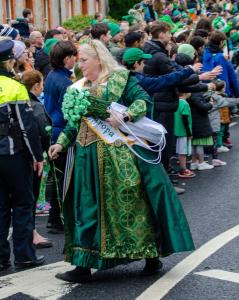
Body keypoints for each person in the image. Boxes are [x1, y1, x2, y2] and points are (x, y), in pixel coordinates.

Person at [48, 39, 194, 284]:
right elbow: (75, 122)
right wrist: (61, 142)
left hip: (115, 156)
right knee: (86, 209)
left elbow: (143, 102)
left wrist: (126, 114)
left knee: (130, 208)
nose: (79, 65)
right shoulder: (79, 87)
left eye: (84, 60)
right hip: (85, 158)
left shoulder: (120, 79)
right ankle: (83, 264)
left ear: (99, 59)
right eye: (79, 60)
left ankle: (150, 256)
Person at [0, 40, 45, 270]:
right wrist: (37, 157)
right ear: (9, 61)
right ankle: (25, 255)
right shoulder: (15, 87)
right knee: (22, 204)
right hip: (13, 155)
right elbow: (27, 129)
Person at [44, 40, 78, 234]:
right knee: (64, 177)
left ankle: (53, 217)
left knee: (55, 176)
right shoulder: (65, 82)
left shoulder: (51, 75)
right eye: (74, 56)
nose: (76, 59)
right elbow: (70, 113)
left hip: (53, 130)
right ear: (67, 59)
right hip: (63, 132)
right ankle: (58, 218)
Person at [21, 70, 53, 248]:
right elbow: (43, 129)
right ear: (36, 85)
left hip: (17, 154)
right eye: (41, 83)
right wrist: (49, 149)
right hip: (34, 155)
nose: (43, 87)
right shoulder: (36, 106)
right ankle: (31, 233)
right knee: (30, 197)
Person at [174, 92, 195, 178]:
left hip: (177, 130)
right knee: (183, 152)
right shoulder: (185, 104)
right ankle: (183, 170)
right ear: (186, 93)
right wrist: (189, 133)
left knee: (180, 150)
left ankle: (183, 168)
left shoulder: (176, 102)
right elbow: (185, 119)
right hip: (184, 131)